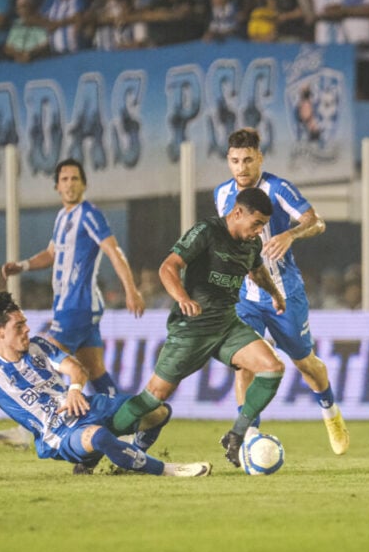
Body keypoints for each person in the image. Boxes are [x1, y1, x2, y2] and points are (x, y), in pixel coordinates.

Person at [106, 187, 288, 468]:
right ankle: (96, 445)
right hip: (191, 328)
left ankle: (236, 435)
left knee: (272, 367)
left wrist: (275, 294)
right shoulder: (207, 231)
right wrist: (183, 298)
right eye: (257, 224)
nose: (259, 231)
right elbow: (168, 266)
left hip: (227, 325)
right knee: (154, 397)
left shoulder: (250, 245)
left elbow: (257, 270)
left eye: (263, 225)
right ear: (237, 212)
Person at [0, 291, 211, 478]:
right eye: (19, 326)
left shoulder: (38, 345)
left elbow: (75, 368)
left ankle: (133, 459)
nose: (27, 329)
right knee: (99, 437)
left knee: (158, 411)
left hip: (86, 406)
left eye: (25, 323)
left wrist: (74, 389)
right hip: (58, 433)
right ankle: (167, 470)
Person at [214, 128, 349, 456]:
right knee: (244, 364)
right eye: (235, 161)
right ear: (228, 161)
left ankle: (330, 412)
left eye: (248, 160)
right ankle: (247, 438)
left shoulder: (277, 188)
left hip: (285, 294)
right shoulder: (221, 194)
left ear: (260, 157)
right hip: (246, 295)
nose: (241, 167)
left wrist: (290, 235)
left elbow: (317, 223)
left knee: (306, 364)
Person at [3, 158, 145, 400]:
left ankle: (31, 427)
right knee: (95, 370)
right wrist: (22, 265)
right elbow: (51, 254)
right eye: (64, 179)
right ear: (57, 186)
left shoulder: (89, 214)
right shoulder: (62, 217)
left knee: (42, 360)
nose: (70, 184)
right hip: (76, 306)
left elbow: (113, 250)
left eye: (75, 179)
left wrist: (131, 290)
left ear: (84, 185)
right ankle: (126, 420)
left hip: (77, 305)